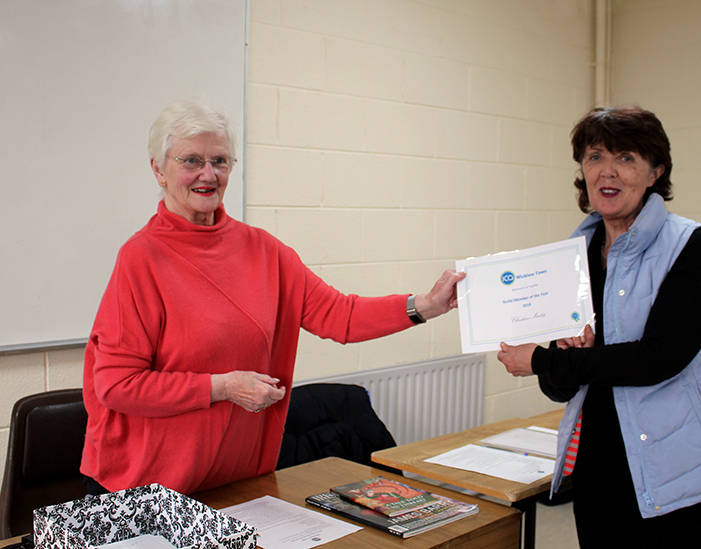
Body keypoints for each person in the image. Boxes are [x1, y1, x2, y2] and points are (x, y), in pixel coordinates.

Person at [80, 97, 465, 496]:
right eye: (191, 161)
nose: (208, 174)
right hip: (148, 488)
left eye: (220, 160)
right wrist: (221, 387)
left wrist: (425, 305)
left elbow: (340, 315)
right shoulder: (141, 258)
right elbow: (117, 384)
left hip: (234, 480)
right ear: (159, 169)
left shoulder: (264, 250)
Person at [497, 105, 701, 548]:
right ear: (583, 170)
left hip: (687, 471)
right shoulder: (574, 256)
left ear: (655, 171)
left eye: (626, 158)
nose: (608, 171)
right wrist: (561, 356)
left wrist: (543, 359)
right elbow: (560, 388)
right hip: (601, 470)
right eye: (596, 156)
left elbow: (659, 359)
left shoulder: (692, 245)